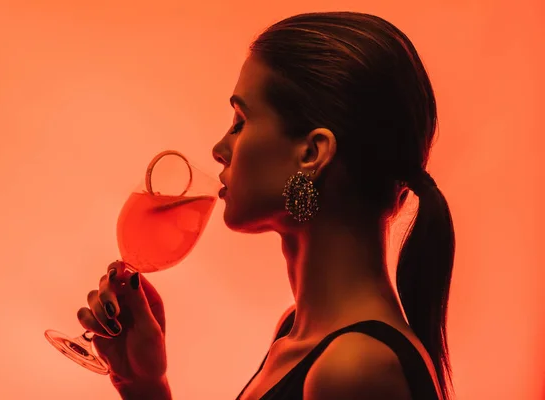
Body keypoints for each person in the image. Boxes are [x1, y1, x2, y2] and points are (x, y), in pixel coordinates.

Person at [77, 11, 455, 400]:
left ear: (311, 153)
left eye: (240, 121)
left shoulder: (354, 367)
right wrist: (142, 382)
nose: (220, 149)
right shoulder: (297, 334)